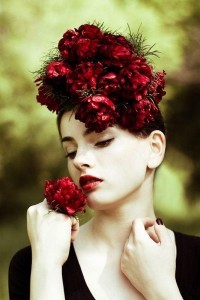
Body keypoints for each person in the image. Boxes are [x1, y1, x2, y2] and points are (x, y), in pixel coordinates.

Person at [9, 23, 200, 300]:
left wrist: (161, 290)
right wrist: (47, 266)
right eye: (71, 151)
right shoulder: (33, 263)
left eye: (102, 141)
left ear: (155, 148)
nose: (81, 161)